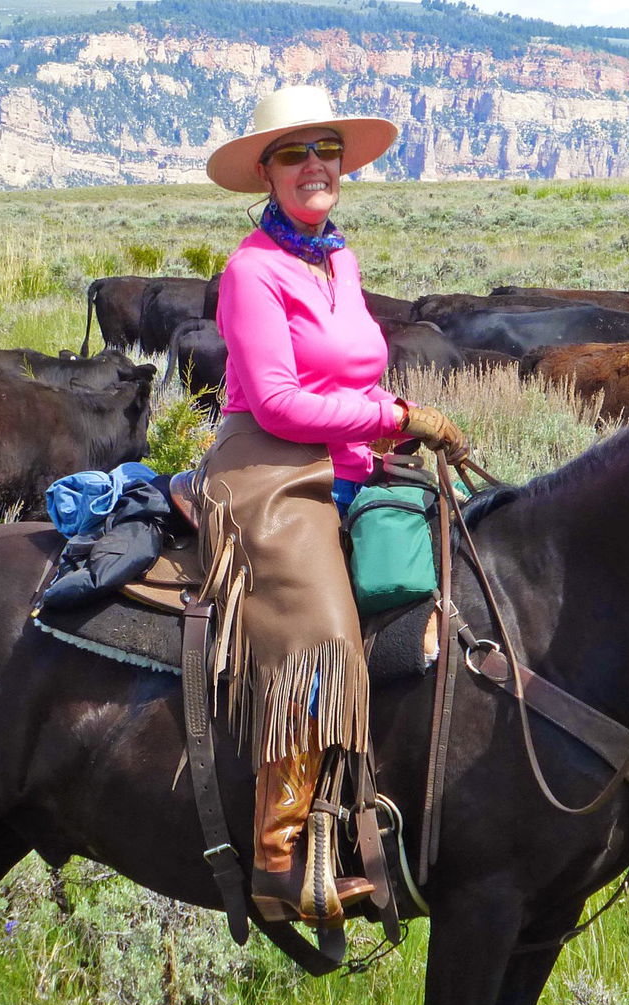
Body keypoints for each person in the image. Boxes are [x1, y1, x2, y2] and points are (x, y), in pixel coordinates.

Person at [199, 85, 468, 925]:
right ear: (266, 173)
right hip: (269, 468)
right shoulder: (251, 271)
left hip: (353, 462)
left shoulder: (337, 261)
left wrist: (397, 423)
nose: (314, 164)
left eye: (326, 149)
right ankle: (280, 859)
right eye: (294, 152)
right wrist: (396, 416)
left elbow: (349, 377)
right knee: (318, 631)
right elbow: (278, 402)